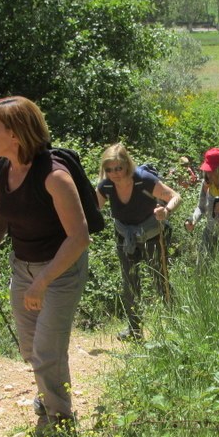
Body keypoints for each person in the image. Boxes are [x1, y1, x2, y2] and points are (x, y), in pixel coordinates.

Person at [0, 96, 90, 437]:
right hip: (22, 265)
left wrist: (42, 281)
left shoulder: (54, 176)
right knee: (31, 347)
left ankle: (60, 423)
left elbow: (79, 237)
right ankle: (49, 394)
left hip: (59, 270)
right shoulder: (2, 167)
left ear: (15, 134)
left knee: (46, 350)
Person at [96, 144, 181, 341]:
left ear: (127, 164)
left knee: (161, 280)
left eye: (118, 168)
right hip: (125, 237)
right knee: (130, 283)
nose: (114, 173)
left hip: (152, 234)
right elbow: (93, 210)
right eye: (109, 169)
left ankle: (177, 326)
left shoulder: (144, 180)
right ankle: (134, 331)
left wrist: (166, 210)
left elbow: (175, 196)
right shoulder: (106, 186)